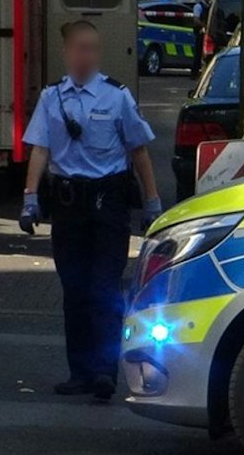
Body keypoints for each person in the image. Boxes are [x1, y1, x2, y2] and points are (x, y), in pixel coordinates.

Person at [18, 20, 162, 401]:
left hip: (108, 204)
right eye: (80, 48)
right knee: (75, 290)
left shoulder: (116, 97)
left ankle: (104, 372)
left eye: (93, 48)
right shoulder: (52, 98)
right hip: (68, 205)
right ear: (66, 52)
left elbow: (139, 151)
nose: (88, 56)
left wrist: (152, 203)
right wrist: (30, 200)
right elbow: (40, 150)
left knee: (104, 288)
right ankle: (80, 372)